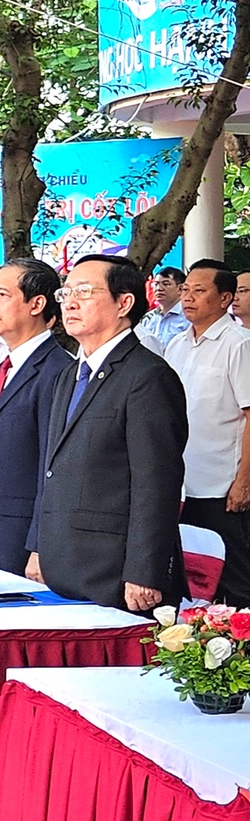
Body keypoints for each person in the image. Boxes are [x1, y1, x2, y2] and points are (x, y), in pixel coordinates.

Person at [29, 255, 189, 611]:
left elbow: (157, 482)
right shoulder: (68, 376)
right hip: (63, 564)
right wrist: (39, 546)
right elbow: (52, 468)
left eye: (84, 291)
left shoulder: (147, 376)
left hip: (115, 573)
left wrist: (145, 571)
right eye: (65, 292)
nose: (70, 302)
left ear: (124, 302)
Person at [0, 258, 68, 574]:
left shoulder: (57, 371)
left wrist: (39, 545)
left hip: (18, 540)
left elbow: (52, 468)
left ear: (37, 304)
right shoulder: (0, 370)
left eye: (2, 295)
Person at [163, 259, 250, 606]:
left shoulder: (238, 343)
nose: (188, 298)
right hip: (183, 483)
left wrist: (244, 480)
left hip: (222, 484)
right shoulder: (176, 345)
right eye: (185, 290)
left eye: (199, 291)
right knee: (191, 580)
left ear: (225, 298)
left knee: (235, 578)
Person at [137, 266, 190, 355]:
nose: (159, 288)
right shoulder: (148, 318)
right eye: (156, 284)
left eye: (166, 284)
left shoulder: (188, 316)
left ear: (180, 289)